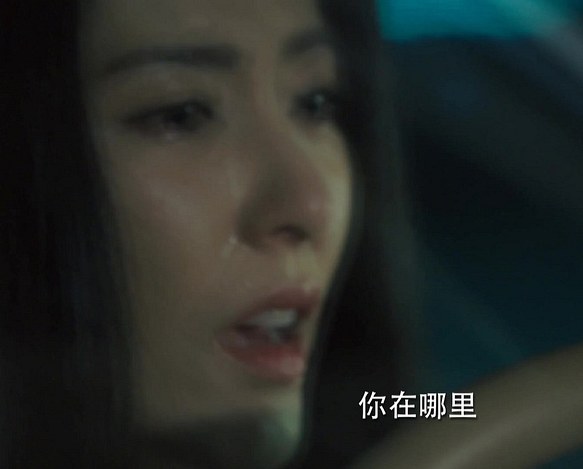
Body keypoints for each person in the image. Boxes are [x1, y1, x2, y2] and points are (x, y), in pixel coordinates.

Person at [0, 0, 415, 467]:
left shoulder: (363, 407)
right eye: (181, 115)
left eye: (316, 103)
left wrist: (469, 420)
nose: (309, 204)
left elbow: (404, 406)